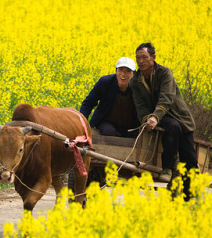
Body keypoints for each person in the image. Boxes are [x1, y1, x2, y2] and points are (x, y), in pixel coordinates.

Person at [129, 42, 198, 197]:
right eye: (138, 58)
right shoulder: (135, 81)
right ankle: (167, 168)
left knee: (189, 158)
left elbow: (166, 98)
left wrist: (155, 116)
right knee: (171, 126)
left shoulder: (165, 73)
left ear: (153, 57)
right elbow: (140, 106)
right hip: (158, 118)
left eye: (144, 57)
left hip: (179, 117)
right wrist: (147, 119)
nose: (140, 61)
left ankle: (191, 194)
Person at [79, 57, 140, 138]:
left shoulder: (139, 87)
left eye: (128, 71)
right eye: (120, 70)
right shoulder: (105, 82)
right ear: (116, 71)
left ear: (134, 74)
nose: (123, 74)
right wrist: (82, 123)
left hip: (131, 127)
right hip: (107, 124)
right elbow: (88, 103)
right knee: (108, 131)